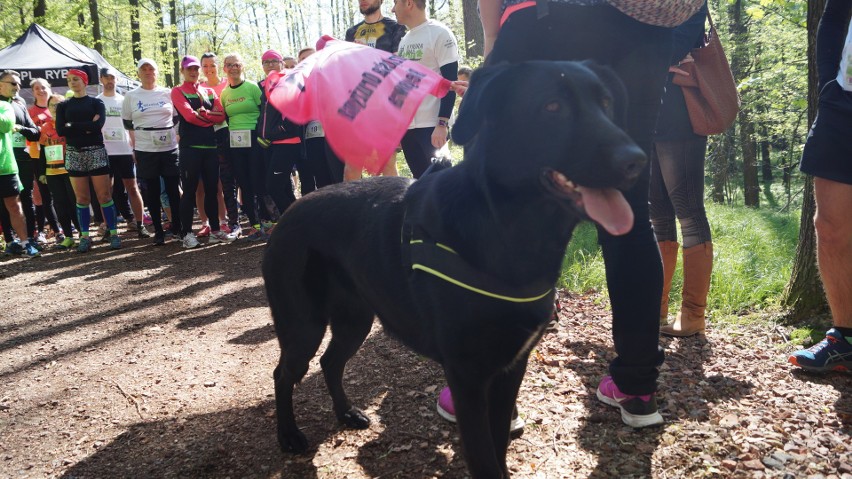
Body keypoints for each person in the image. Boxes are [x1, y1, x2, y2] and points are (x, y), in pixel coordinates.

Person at [434, 1, 691, 429]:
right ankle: (637, 384)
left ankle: (484, 384)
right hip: (645, 33)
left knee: (500, 201)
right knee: (626, 210)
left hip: (545, 19)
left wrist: (497, 41)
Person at [789, 0, 852, 373]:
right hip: (842, 102)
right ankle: (845, 338)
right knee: (828, 227)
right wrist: (829, 82)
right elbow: (834, 15)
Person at [649, 3, 713, 337]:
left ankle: (693, 315)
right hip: (648, 111)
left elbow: (678, 41)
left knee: (688, 210)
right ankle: (657, 309)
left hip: (680, 110)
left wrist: (646, 58)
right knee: (657, 214)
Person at [171, 55, 235, 247]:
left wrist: (205, 114)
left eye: (195, 69)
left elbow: (221, 115)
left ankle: (215, 230)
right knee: (189, 191)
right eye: (189, 69)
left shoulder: (207, 91)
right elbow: (189, 117)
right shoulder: (178, 91)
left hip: (210, 147)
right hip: (190, 148)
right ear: (182, 71)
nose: (193, 72)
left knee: (212, 190)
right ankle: (186, 234)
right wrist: (210, 118)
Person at [55, 68, 121, 252]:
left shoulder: (96, 102)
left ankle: (114, 233)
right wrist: (85, 126)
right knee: (82, 198)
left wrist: (73, 126)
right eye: (69, 80)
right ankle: (84, 236)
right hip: (74, 153)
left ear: (84, 81)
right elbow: (61, 130)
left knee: (104, 195)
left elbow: (98, 126)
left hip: (96, 152)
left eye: (76, 79)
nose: (72, 83)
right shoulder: (63, 106)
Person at [391, 0, 459, 179]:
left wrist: (442, 123)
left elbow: (450, 82)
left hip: (432, 125)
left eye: (395, 3)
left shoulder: (439, 33)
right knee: (421, 186)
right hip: (408, 128)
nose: (392, 9)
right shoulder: (404, 40)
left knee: (442, 184)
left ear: (409, 3)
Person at [343, 0, 407, 181]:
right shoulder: (351, 32)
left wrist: (366, 55)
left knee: (386, 164)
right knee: (351, 168)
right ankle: (354, 209)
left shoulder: (396, 28)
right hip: (358, 105)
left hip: (385, 107)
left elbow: (399, 66)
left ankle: (394, 207)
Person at [122, 58, 182, 245]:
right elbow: (127, 123)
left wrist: (175, 139)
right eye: (144, 69)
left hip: (169, 147)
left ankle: (178, 228)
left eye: (151, 69)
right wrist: (135, 144)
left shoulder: (167, 93)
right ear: (139, 73)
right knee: (153, 192)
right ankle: (158, 231)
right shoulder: (131, 96)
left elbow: (177, 118)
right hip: (145, 148)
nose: (148, 72)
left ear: (157, 72)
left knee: (173, 189)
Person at [97, 67, 151, 240]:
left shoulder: (124, 100)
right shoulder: (96, 102)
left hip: (124, 151)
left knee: (133, 188)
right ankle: (110, 228)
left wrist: (134, 148)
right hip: (105, 152)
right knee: (105, 191)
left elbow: (132, 126)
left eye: (112, 77)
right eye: (106, 77)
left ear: (117, 80)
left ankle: (140, 224)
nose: (109, 80)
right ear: (100, 80)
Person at [219, 53, 266, 240]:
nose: (233, 68)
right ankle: (254, 225)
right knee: (244, 183)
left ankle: (267, 222)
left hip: (254, 139)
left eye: (236, 64)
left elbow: (263, 111)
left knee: (257, 181)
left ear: (242, 66)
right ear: (225, 69)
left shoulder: (252, 87)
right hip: (235, 142)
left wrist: (262, 136)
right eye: (229, 65)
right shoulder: (225, 93)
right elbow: (227, 117)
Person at [257, 49, 308, 220]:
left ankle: (292, 221)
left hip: (287, 142)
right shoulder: (265, 85)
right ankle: (297, 222)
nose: (270, 64)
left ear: (281, 64)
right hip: (271, 144)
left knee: (273, 186)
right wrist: (262, 132)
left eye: (274, 61)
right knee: (284, 187)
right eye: (266, 61)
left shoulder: (289, 82)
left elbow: (295, 114)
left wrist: (276, 131)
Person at [0, 70, 41, 255]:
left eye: (18, 84)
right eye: (13, 83)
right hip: (5, 158)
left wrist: (20, 128)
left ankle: (29, 239)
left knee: (24, 199)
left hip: (19, 158)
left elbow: (35, 132)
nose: (17, 87)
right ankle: (9, 241)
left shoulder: (18, 104)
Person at [198, 52, 232, 237]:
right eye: (205, 66)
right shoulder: (199, 87)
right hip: (203, 137)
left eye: (212, 65)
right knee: (204, 184)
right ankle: (205, 223)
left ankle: (225, 219)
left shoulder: (226, 84)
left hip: (225, 135)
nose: (209, 69)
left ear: (219, 66)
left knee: (223, 181)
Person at [39, 94, 79, 250]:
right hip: (52, 172)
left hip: (70, 171)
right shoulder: (45, 127)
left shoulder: (70, 124)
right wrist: (42, 172)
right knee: (60, 204)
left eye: (59, 104)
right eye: (52, 105)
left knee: (74, 203)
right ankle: (68, 237)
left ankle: (83, 235)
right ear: (48, 107)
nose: (55, 108)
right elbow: (42, 151)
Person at [28, 78, 62, 245]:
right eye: (36, 88)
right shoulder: (30, 111)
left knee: (61, 193)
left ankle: (63, 227)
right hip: (37, 157)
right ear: (33, 92)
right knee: (40, 196)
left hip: (59, 157)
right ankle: (43, 230)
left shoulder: (57, 106)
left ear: (49, 88)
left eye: (43, 87)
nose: (40, 91)